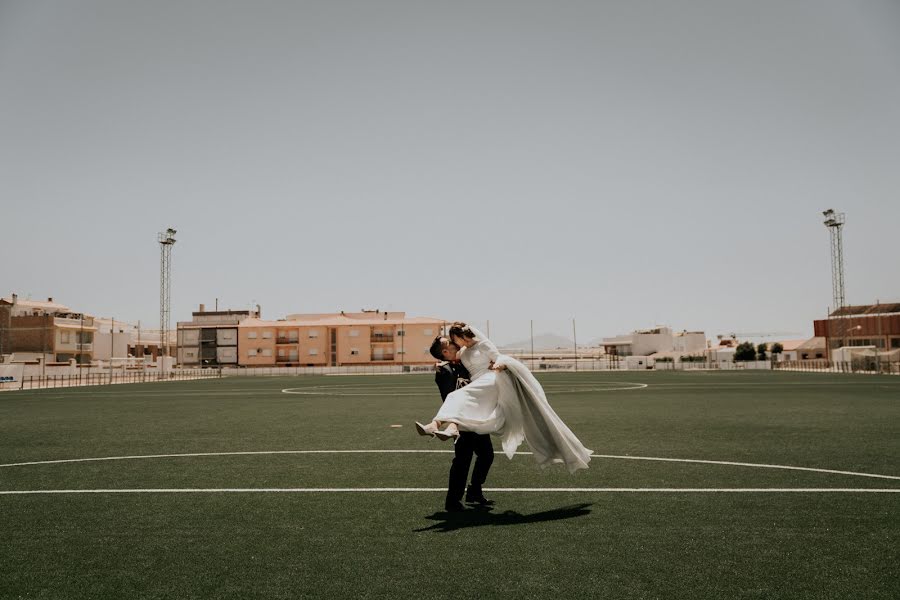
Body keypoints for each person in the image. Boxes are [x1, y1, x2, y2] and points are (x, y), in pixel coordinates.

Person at [416, 322, 592, 474]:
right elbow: (451, 359)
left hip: (491, 380)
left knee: (458, 395)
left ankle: (436, 425)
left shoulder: (483, 344)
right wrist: (441, 363)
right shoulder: (463, 352)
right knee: (460, 398)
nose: (454, 342)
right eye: (451, 341)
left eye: (455, 339)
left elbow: (498, 356)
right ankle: (447, 427)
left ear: (462, 336)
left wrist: (500, 365)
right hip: (478, 385)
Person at [429, 336, 494, 512]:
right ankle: (452, 501)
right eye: (448, 342)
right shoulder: (445, 371)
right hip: (460, 422)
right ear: (445, 352)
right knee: (462, 461)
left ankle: (474, 491)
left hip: (476, 418)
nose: (454, 342)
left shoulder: (463, 363)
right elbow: (449, 397)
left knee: (487, 455)